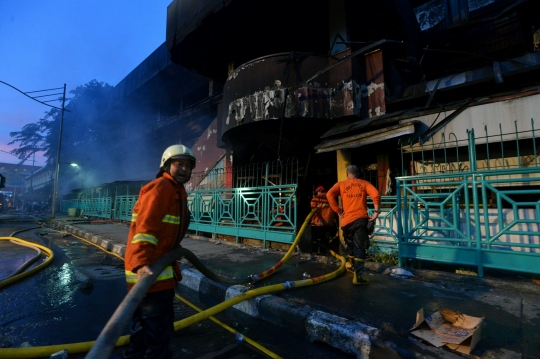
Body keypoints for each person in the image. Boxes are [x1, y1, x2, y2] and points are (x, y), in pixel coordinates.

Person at [123, 144, 196, 359]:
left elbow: (166, 228)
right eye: (178, 164)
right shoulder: (160, 188)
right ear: (166, 165)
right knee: (158, 331)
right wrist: (141, 264)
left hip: (157, 268)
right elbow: (145, 229)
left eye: (187, 166)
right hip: (150, 272)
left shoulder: (176, 190)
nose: (183, 169)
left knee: (144, 329)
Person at [326, 165, 381, 285]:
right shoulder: (364, 183)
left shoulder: (340, 185)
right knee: (359, 247)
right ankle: (358, 276)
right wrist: (376, 212)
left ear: (347, 174)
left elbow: (329, 195)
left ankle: (351, 266)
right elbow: (376, 194)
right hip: (360, 220)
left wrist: (338, 211)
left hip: (346, 221)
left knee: (350, 245)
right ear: (358, 174)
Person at [310, 186, 337, 254]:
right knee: (327, 238)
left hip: (318, 223)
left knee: (318, 238)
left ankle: (319, 251)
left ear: (318, 191)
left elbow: (313, 209)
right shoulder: (331, 198)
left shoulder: (315, 199)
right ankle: (328, 250)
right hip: (329, 223)